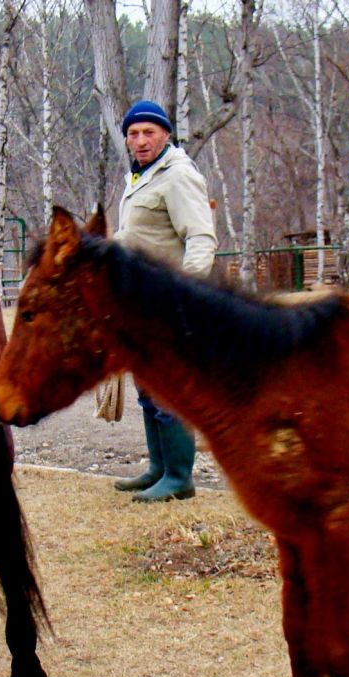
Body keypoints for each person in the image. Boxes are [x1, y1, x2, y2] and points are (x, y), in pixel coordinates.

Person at [111, 99, 217, 503]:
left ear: (166, 135)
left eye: (148, 133)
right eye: (133, 134)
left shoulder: (178, 176)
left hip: (169, 304)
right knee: (148, 390)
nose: (140, 141)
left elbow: (201, 238)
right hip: (141, 302)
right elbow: (139, 235)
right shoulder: (141, 177)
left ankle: (179, 477)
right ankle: (159, 468)